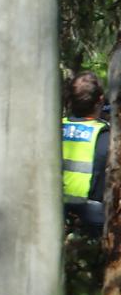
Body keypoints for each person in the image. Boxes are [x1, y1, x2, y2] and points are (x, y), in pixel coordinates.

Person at [62, 71, 110, 234]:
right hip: (92, 214)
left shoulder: (57, 127)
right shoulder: (104, 135)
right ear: (100, 100)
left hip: (56, 206)